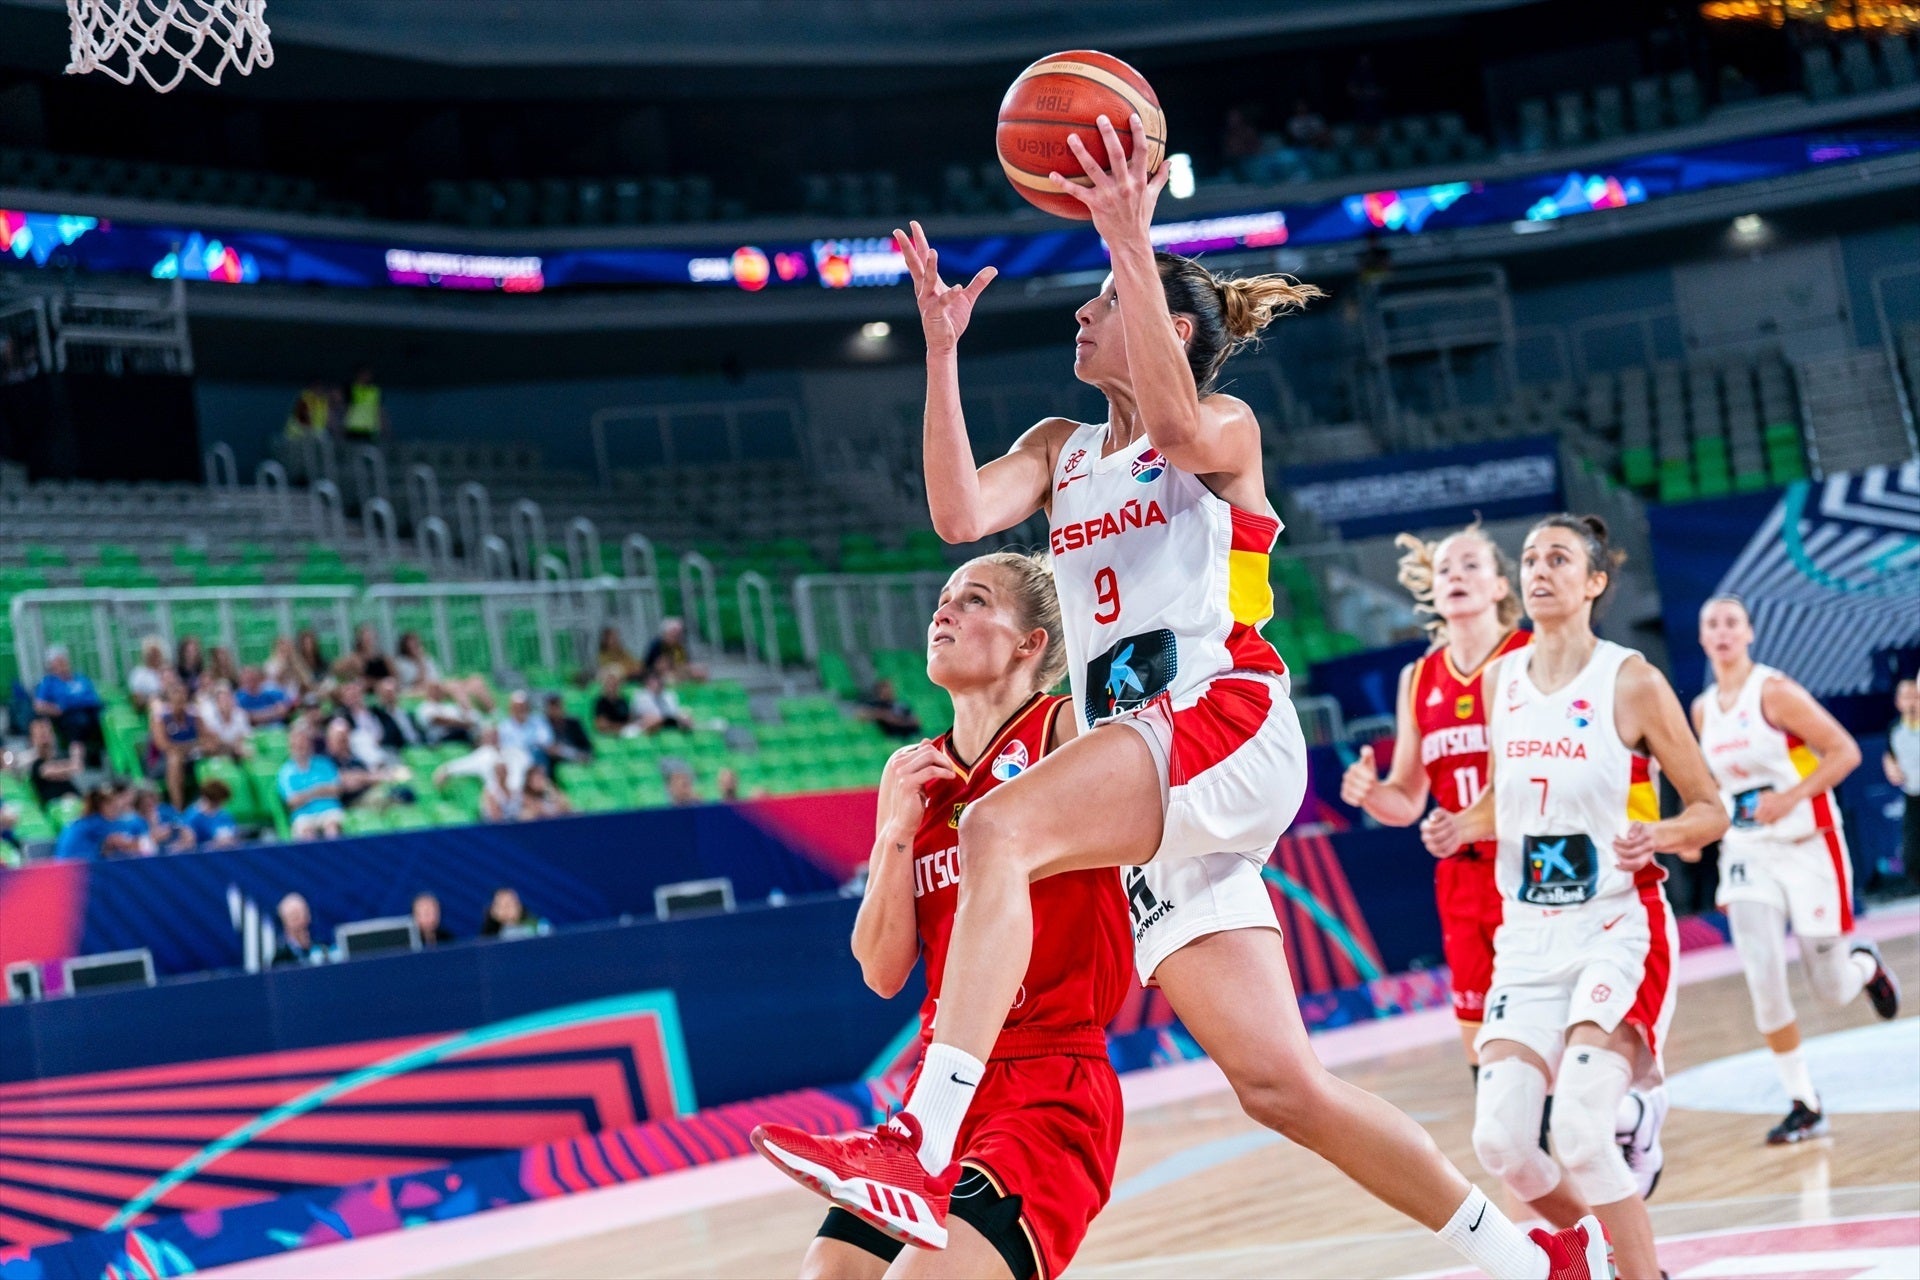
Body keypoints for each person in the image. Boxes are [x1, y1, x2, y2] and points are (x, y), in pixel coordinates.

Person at [765, 125, 1606, 1280]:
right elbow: (958, 514)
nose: (1081, 313)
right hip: (1155, 778)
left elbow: (1171, 425)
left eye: (1107, 300)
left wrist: (1131, 233)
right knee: (1281, 1084)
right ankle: (1530, 1261)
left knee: (999, 824)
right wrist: (941, 352)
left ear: (1168, 329)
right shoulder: (1059, 449)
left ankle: (920, 1134)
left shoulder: (1222, 431)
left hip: (1221, 719)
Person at [754, 554, 1133, 1280]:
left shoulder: (1065, 731)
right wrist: (894, 834)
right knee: (828, 1273)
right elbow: (881, 969)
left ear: (1029, 644)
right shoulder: (912, 773)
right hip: (937, 1086)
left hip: (1048, 1081)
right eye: (943, 599)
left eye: (974, 600)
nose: (943, 613)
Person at [1422, 515, 1729, 1280]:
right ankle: (1605, 1251)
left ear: (1594, 582)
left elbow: (1710, 809)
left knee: (1584, 1137)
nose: (1539, 570)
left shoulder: (1632, 680)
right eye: (1530, 558)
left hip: (1615, 926)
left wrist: (1659, 834)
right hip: (1527, 936)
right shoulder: (1503, 681)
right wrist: (1462, 824)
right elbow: (1506, 797)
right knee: (1501, 1143)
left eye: (1558, 558)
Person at [1692, 596, 1900, 1144]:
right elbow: (1715, 784)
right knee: (1761, 974)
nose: (1722, 632)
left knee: (1831, 989)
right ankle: (1804, 1102)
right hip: (1747, 854)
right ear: (1702, 638)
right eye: (1712, 624)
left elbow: (1844, 751)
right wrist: (1696, 828)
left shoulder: (1775, 692)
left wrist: (1789, 797)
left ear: (1749, 633)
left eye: (1731, 622)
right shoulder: (1703, 709)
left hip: (1808, 846)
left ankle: (1865, 965)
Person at [1344, 524, 1531, 1066]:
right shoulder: (1420, 676)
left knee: (1546, 1030)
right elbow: (1406, 801)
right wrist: (1370, 793)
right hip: (1462, 877)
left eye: (1471, 565)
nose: (1456, 576)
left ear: (1500, 586)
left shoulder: (1531, 655)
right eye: (1445, 568)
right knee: (1482, 1044)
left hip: (1531, 864)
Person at [32, 646, 106, 763]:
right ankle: (77, 760)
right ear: (51, 665)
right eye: (58, 662)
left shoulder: (80, 678)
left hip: (90, 710)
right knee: (79, 722)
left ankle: (101, 755)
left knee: (103, 717)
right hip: (67, 715)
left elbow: (93, 696)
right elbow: (39, 705)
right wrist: (56, 709)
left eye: (63, 661)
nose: (62, 665)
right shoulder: (48, 682)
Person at [147, 679, 209, 810]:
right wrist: (191, 745)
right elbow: (163, 745)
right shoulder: (160, 717)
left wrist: (188, 747)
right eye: (175, 693)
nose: (179, 697)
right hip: (161, 761)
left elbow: (206, 738)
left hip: (190, 757)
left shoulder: (194, 715)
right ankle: (178, 807)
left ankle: (210, 803)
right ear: (169, 697)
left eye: (182, 693)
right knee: (174, 759)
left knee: (212, 751)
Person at [277, 725, 345, 840]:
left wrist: (305, 795)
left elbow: (337, 790)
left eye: (304, 743)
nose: (301, 747)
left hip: (329, 810)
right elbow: (292, 801)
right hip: (303, 815)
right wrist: (318, 791)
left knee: (332, 827)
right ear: (291, 746)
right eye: (297, 744)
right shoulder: (286, 772)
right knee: (306, 832)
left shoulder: (324, 763)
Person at [1887, 679, 1920, 893]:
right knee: (1912, 856)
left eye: (1916, 697)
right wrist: (1891, 767)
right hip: (1913, 797)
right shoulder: (1894, 729)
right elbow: (1889, 754)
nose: (1913, 702)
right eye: (1907, 697)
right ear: (1898, 702)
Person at [54, 785, 143, 861]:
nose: (117, 810)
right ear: (102, 805)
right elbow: (126, 844)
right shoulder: (94, 823)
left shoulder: (88, 820)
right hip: (76, 867)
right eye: (114, 807)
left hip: (81, 865)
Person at [25, 717, 83, 808]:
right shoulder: (35, 764)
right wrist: (75, 758)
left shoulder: (60, 758)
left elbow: (76, 768)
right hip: (55, 808)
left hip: (75, 802)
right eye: (41, 735)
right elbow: (49, 770)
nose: (45, 737)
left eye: (48, 732)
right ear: (32, 739)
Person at [197, 679, 254, 759]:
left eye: (228, 698)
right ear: (217, 703)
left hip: (238, 750)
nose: (226, 702)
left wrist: (239, 745)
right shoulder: (209, 718)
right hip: (219, 752)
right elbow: (213, 741)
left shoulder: (241, 714)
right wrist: (233, 746)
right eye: (222, 699)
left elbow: (246, 736)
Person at [497, 691, 555, 768]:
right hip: (513, 758)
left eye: (523, 707)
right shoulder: (504, 726)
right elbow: (502, 746)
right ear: (512, 709)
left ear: (528, 708)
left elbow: (546, 741)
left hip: (533, 756)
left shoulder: (539, 722)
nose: (520, 710)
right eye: (517, 708)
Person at [131, 786, 195, 853]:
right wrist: (152, 839)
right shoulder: (133, 822)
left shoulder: (166, 812)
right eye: (144, 802)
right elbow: (134, 848)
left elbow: (187, 832)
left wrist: (180, 846)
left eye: (152, 798)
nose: (149, 802)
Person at [644, 617, 708, 683]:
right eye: (674, 634)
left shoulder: (678, 646)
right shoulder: (657, 645)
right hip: (657, 675)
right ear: (666, 633)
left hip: (676, 671)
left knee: (699, 671)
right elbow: (660, 666)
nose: (678, 637)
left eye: (679, 634)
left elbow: (684, 663)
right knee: (670, 678)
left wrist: (693, 669)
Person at [272, 892, 329, 967]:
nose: (302, 922)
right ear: (284, 923)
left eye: (304, 915)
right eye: (295, 917)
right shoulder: (281, 958)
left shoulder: (322, 948)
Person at [856, 677, 923, 739]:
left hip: (911, 735)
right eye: (884, 691)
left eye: (889, 690)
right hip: (891, 737)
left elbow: (916, 721)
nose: (888, 692)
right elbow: (861, 714)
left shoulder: (901, 705)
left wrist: (898, 721)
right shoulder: (876, 705)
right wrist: (883, 715)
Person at [542, 694, 594, 771]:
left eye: (557, 706)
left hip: (576, 760)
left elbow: (587, 747)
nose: (554, 710)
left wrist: (564, 751)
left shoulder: (573, 723)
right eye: (551, 707)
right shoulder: (543, 725)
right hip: (555, 765)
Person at [633, 669, 695, 734]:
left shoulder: (669, 695)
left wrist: (683, 717)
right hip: (647, 727)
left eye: (659, 679)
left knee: (686, 719)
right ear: (647, 682)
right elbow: (643, 718)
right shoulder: (640, 696)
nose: (657, 683)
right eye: (654, 680)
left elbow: (674, 713)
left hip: (669, 723)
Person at [185, 778, 242, 848]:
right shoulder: (192, 817)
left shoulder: (225, 815)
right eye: (218, 801)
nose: (221, 804)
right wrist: (213, 845)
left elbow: (233, 837)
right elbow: (188, 843)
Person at [342, 365, 388, 442]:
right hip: (353, 427)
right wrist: (342, 425)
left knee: (369, 449)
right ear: (358, 375)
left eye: (368, 374)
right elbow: (344, 408)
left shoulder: (375, 391)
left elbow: (380, 410)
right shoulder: (351, 389)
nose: (366, 377)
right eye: (363, 374)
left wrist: (384, 426)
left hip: (370, 428)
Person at [127, 636, 170, 713]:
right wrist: (152, 698)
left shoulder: (167, 671)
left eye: (157, 653)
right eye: (152, 654)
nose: (155, 657)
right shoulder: (138, 674)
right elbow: (137, 701)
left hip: (171, 704)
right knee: (156, 704)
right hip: (149, 708)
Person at [592, 667, 639, 736]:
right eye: (609, 682)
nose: (612, 684)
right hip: (609, 736)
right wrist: (621, 727)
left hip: (626, 733)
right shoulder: (600, 702)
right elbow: (601, 725)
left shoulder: (623, 701)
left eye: (615, 682)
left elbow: (630, 719)